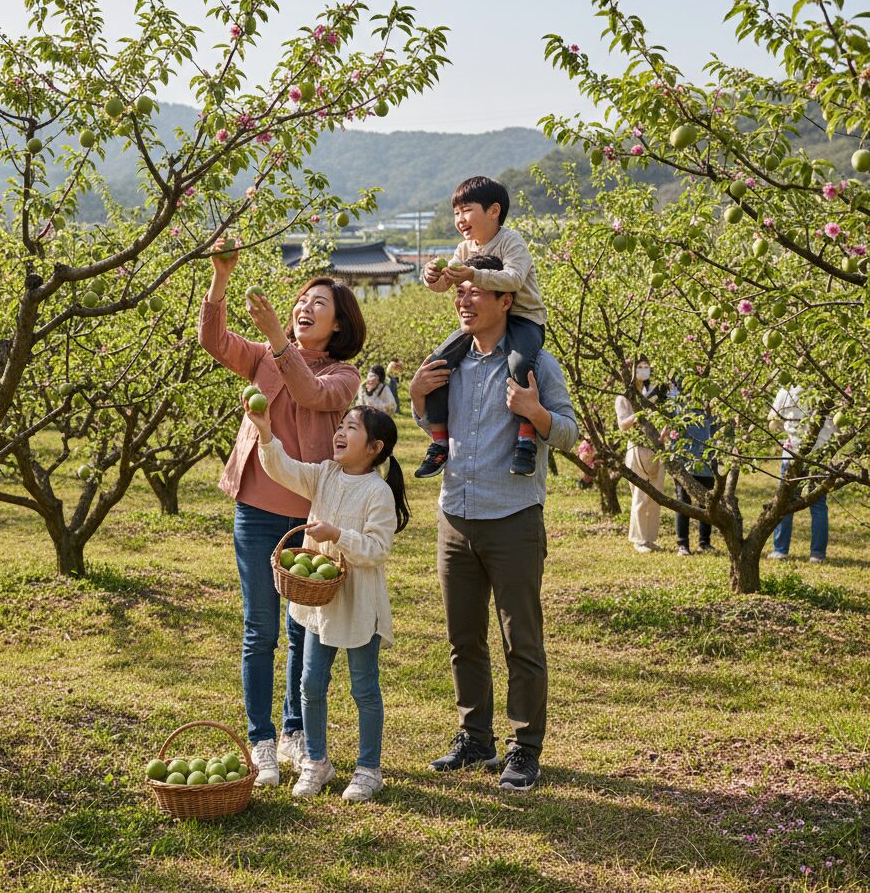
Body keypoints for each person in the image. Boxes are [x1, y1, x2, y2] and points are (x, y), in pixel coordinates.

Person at [198, 239, 365, 786]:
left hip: (308, 518)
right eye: (302, 299)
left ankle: (294, 731)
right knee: (259, 630)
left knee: (300, 629)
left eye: (319, 303)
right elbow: (214, 340)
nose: (304, 307)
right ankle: (261, 740)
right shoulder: (263, 358)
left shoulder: (345, 376)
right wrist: (221, 278)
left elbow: (311, 392)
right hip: (256, 507)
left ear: (338, 326)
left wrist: (276, 339)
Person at [409, 254, 578, 793]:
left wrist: (535, 412)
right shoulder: (451, 361)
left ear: (506, 299)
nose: (463, 300)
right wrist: (416, 397)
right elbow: (437, 425)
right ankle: (475, 737)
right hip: (455, 517)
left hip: (512, 517)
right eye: (459, 292)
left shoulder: (536, 364)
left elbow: (569, 433)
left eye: (474, 291)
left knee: (520, 640)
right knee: (463, 638)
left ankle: (524, 748)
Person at [246, 399, 409, 802]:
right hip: (320, 602)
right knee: (311, 683)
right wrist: (265, 431)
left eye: (351, 427)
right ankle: (316, 761)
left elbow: (377, 549)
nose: (340, 432)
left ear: (374, 448)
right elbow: (284, 469)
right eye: (341, 425)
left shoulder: (377, 493)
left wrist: (337, 535)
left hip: (357, 603)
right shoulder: (324, 475)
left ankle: (369, 769)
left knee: (364, 688)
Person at [416, 176, 547, 479]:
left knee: (520, 364)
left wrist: (472, 275)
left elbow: (513, 279)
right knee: (437, 365)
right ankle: (439, 442)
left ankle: (526, 439)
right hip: (482, 323)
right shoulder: (464, 249)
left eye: (466, 210)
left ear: (494, 211)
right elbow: (446, 283)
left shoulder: (511, 241)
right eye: (456, 212)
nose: (460, 219)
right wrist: (431, 277)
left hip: (524, 319)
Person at [767, 385, 837, 563]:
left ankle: (780, 550)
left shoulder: (786, 390)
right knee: (818, 505)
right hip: (820, 456)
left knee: (785, 502)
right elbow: (839, 427)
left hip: (792, 454)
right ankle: (817, 554)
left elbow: (773, 423)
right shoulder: (829, 391)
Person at [614, 355, 666, 552]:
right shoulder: (624, 397)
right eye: (640, 366)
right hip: (637, 447)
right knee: (640, 495)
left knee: (656, 494)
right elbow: (622, 424)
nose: (644, 370)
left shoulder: (651, 394)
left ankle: (650, 538)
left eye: (647, 366)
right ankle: (638, 539)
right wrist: (638, 415)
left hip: (656, 446)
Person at [669, 397, 717, 556]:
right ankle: (682, 544)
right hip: (683, 459)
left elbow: (716, 429)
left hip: (706, 459)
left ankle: (705, 542)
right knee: (683, 501)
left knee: (707, 501)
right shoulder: (677, 402)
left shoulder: (710, 401)